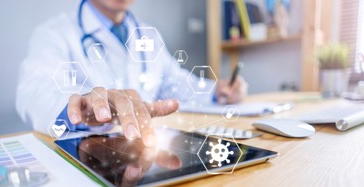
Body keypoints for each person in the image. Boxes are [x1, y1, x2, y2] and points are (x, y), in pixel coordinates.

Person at [16, 0, 248, 147]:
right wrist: (77, 111)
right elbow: (33, 94)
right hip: (92, 157)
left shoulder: (147, 34)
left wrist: (217, 91)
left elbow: (174, 81)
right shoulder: (54, 34)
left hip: (143, 154)